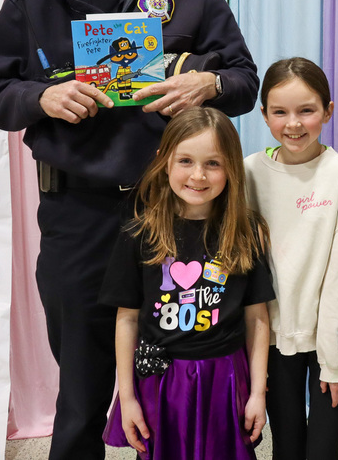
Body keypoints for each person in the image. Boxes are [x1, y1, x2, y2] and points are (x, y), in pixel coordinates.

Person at [0, 0, 258, 460]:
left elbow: (244, 81)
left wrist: (205, 84)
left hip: (177, 220)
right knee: (80, 391)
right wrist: (43, 100)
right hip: (79, 216)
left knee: (181, 377)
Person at [99, 107, 273, 459]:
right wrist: (128, 397)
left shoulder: (246, 232)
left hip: (224, 377)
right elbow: (127, 319)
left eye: (213, 163)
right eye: (186, 161)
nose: (198, 175)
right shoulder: (140, 233)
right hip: (162, 383)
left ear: (231, 169)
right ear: (164, 161)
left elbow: (257, 318)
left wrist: (257, 392)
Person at [244, 58, 338, 460]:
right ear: (263, 115)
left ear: (328, 111)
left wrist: (335, 361)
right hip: (273, 340)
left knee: (324, 450)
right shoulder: (248, 173)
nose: (293, 123)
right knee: (287, 446)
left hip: (328, 340)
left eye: (306, 110)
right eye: (280, 112)